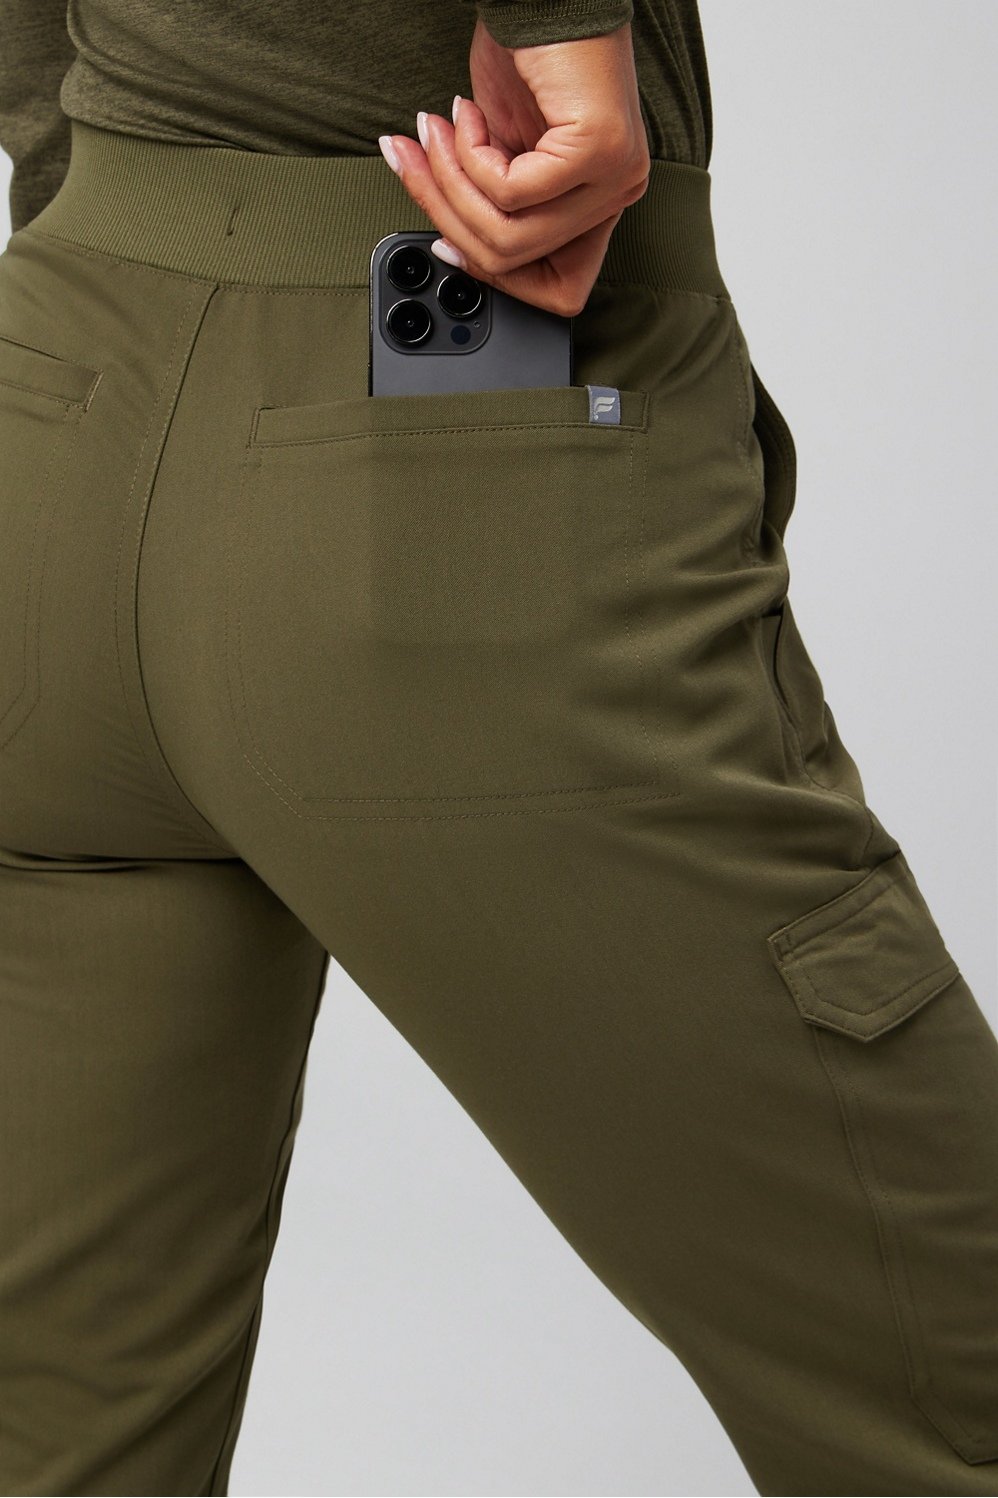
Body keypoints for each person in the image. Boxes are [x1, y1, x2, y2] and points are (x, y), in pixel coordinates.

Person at [0, 3, 995, 1494]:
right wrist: (562, 29)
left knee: (58, 1445)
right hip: (458, 354)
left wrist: (81, 220)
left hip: (54, 412)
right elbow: (561, 111)